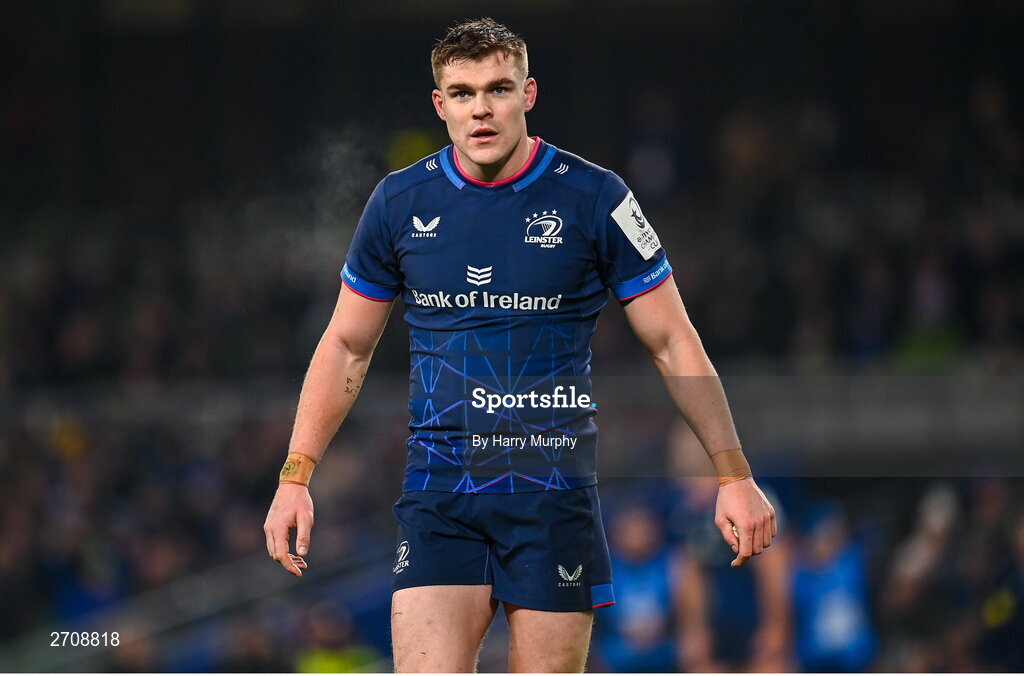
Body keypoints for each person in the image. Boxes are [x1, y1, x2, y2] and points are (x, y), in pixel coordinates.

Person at [263, 18, 776, 672]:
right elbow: (345, 346)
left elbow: (674, 340)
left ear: (528, 94)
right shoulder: (398, 202)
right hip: (441, 497)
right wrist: (296, 476)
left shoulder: (597, 197)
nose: (481, 108)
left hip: (551, 498)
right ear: (440, 104)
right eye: (463, 92)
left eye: (498, 89)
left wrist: (733, 475)